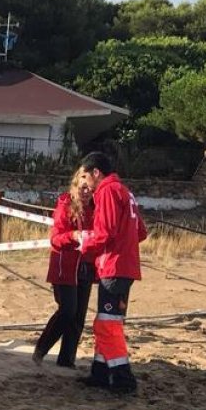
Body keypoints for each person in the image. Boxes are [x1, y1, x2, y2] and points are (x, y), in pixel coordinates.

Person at [76, 152, 147, 393]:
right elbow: (141, 232)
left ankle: (122, 377)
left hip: (113, 266)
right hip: (124, 266)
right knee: (108, 321)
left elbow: (105, 232)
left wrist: (86, 246)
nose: (84, 183)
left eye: (85, 176)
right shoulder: (125, 191)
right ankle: (100, 371)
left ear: (97, 172)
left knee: (108, 324)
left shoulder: (106, 191)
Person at [32, 168, 95, 368]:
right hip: (64, 267)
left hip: (85, 266)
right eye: (83, 187)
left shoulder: (95, 208)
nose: (87, 192)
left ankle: (66, 360)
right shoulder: (65, 204)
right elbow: (55, 239)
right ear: (76, 184)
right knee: (68, 310)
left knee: (78, 317)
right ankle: (41, 348)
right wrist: (74, 237)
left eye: (91, 189)